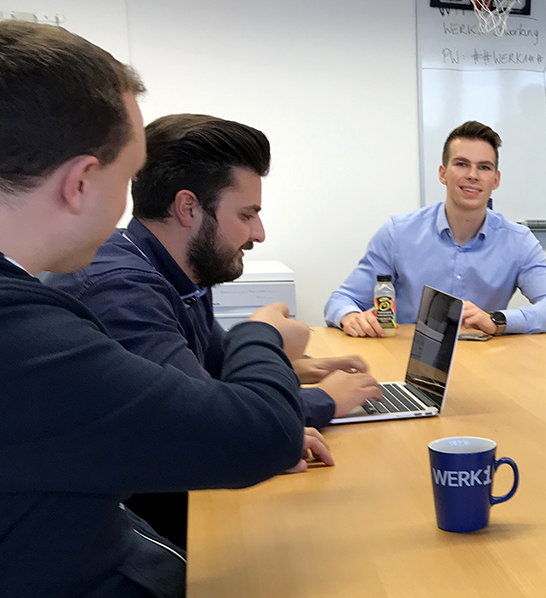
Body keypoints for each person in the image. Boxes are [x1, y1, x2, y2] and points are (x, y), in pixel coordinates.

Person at [0, 21, 309, 598]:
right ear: (80, 181)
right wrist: (264, 330)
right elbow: (258, 431)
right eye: (124, 177)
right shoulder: (22, 339)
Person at [45, 114, 380, 547]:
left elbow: (214, 367)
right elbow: (214, 427)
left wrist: (298, 369)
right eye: (246, 215)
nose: (258, 233)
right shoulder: (122, 288)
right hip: (140, 523)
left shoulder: (178, 271)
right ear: (188, 208)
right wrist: (322, 395)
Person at [324, 120, 546, 337]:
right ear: (443, 173)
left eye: (484, 167)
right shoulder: (398, 233)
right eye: (462, 164)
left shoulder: (518, 241)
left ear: (495, 180)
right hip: (407, 358)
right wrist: (350, 317)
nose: (473, 175)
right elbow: (341, 300)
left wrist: (497, 320)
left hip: (483, 360)